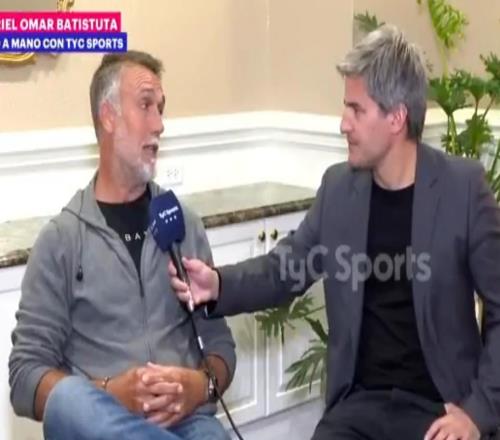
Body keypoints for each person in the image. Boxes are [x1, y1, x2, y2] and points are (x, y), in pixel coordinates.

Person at [170, 25, 500, 440]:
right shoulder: (339, 189)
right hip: (358, 407)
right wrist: (218, 285)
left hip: (440, 410)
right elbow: (283, 270)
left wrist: (476, 414)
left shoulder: (462, 189)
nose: (343, 124)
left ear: (397, 117)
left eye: (356, 110)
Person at [9, 50, 236, 440]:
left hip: (188, 423)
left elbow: (221, 346)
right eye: (146, 106)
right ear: (108, 116)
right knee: (68, 400)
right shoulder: (61, 241)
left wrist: (198, 387)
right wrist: (111, 392)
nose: (160, 124)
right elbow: (25, 376)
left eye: (161, 109)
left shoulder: (183, 225)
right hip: (103, 424)